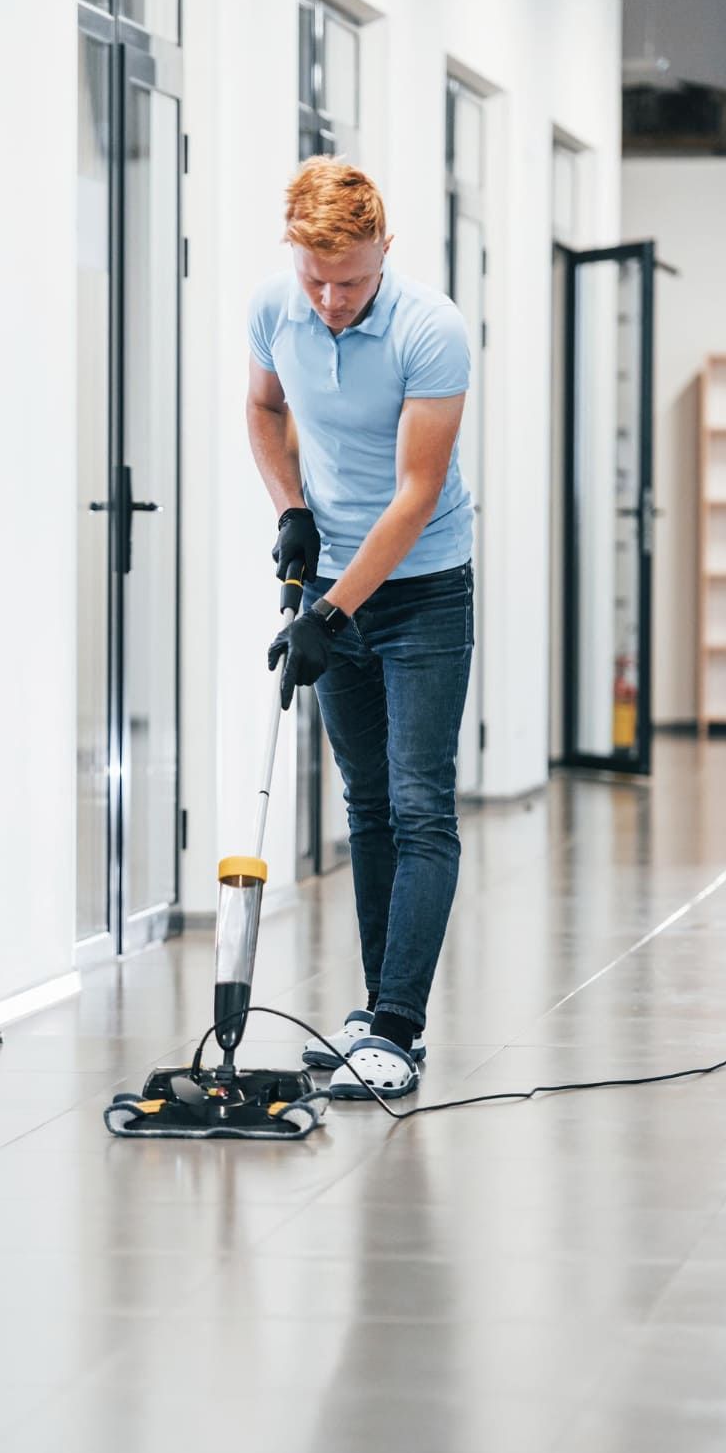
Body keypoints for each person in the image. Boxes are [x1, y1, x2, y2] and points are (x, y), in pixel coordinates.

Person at [246, 157, 473, 1099]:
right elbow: (263, 409)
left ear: (384, 250)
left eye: (351, 282)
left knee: (420, 805)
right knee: (366, 803)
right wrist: (291, 506)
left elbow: (417, 494)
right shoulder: (276, 307)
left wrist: (329, 613)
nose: (332, 301)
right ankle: (376, 1011)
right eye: (317, 280)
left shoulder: (432, 329)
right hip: (332, 576)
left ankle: (398, 1029)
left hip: (424, 590)